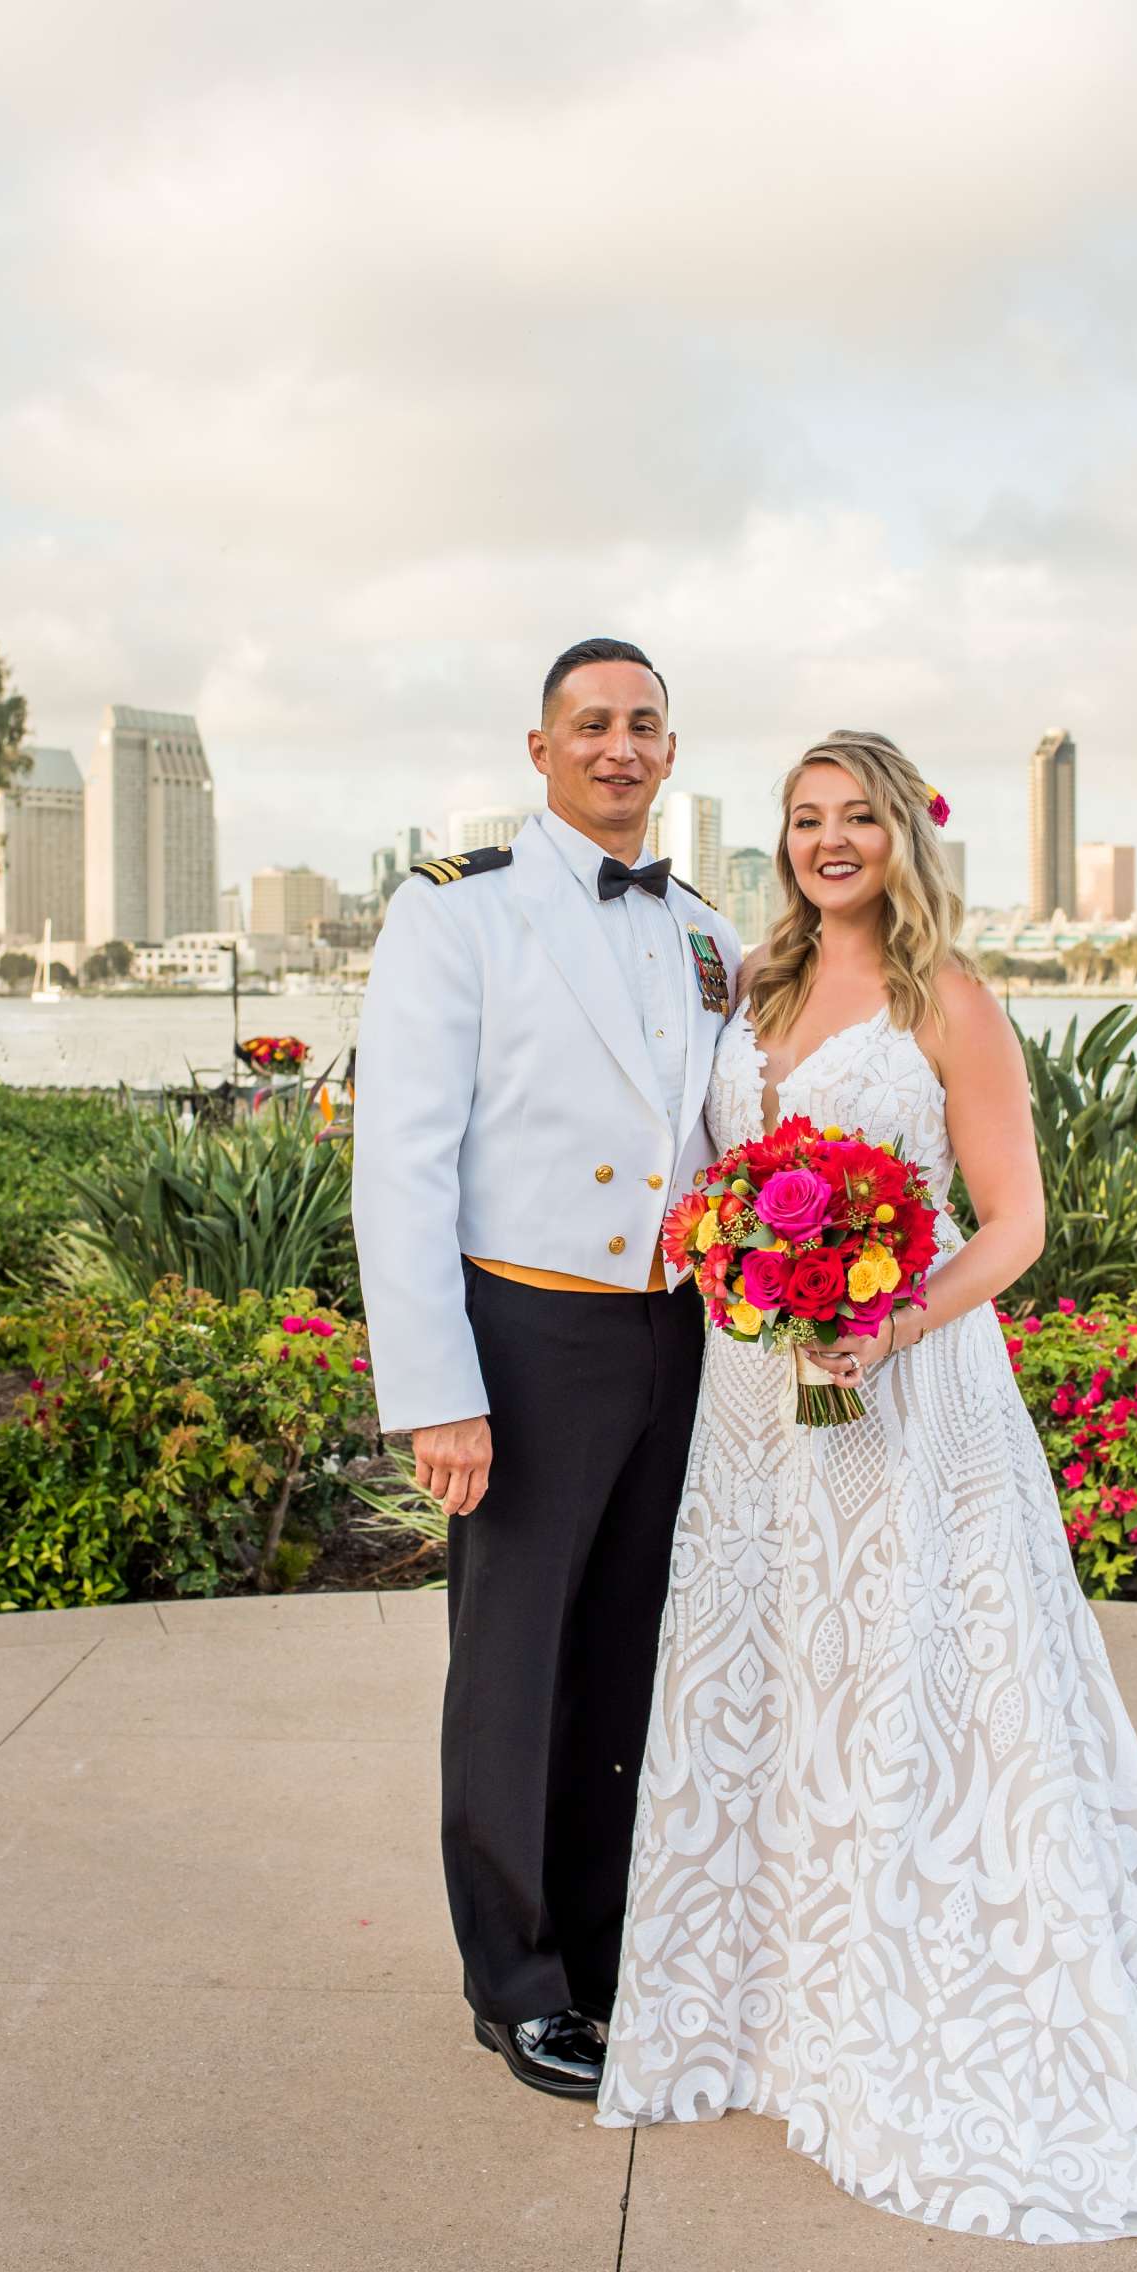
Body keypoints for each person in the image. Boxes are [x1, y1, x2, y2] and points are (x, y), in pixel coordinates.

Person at [597, 729, 1137, 2241]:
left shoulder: (950, 1001)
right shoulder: (745, 992)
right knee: (783, 1682)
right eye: (806, 820)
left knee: (920, 1693)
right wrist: (724, 1256)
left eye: (856, 818)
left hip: (908, 1387)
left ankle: (916, 1995)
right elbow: (700, 1173)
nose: (830, 843)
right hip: (757, 1402)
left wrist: (888, 1320)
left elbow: (1015, 1225)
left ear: (902, 835)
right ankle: (773, 2012)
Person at [351, 639, 740, 2101]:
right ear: (541, 749)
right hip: (522, 1331)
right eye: (593, 724)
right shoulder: (459, 912)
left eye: (644, 725)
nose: (619, 748)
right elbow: (398, 1159)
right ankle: (514, 1984)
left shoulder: (701, 926)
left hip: (671, 1329)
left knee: (626, 1660)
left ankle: (602, 1952)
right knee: (515, 1668)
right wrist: (436, 1386)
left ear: (670, 749)